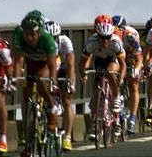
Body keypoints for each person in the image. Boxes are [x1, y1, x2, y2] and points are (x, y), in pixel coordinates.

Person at [12, 10, 60, 141]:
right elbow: (18, 61)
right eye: (26, 35)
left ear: (39, 32)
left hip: (45, 63)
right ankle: (28, 134)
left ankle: (51, 109)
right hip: (31, 61)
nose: (29, 38)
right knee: (26, 95)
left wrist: (53, 83)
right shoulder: (18, 34)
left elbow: (52, 65)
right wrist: (14, 81)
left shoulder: (47, 38)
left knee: (40, 81)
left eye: (32, 34)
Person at [79, 15, 127, 138]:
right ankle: (94, 123)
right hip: (100, 61)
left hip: (113, 60)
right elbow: (82, 62)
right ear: (97, 35)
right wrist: (83, 73)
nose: (105, 41)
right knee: (96, 92)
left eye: (107, 38)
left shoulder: (116, 42)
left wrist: (121, 78)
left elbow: (123, 64)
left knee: (110, 72)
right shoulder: (91, 43)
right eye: (102, 38)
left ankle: (116, 100)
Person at [44, 20, 76, 151]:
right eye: (49, 38)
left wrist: (70, 83)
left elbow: (70, 65)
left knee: (67, 100)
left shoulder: (65, 42)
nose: (52, 40)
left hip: (61, 67)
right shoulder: (41, 43)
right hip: (47, 65)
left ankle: (67, 137)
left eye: (55, 37)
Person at [113, 15, 143, 134]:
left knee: (134, 85)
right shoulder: (110, 37)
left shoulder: (130, 36)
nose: (115, 32)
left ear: (123, 30)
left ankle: (132, 118)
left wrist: (136, 69)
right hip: (117, 55)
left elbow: (139, 58)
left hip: (131, 55)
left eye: (118, 30)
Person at [0, 30, 14, 154]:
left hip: (1, 67)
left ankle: (3, 137)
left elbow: (8, 70)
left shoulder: (1, 49)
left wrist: (10, 83)